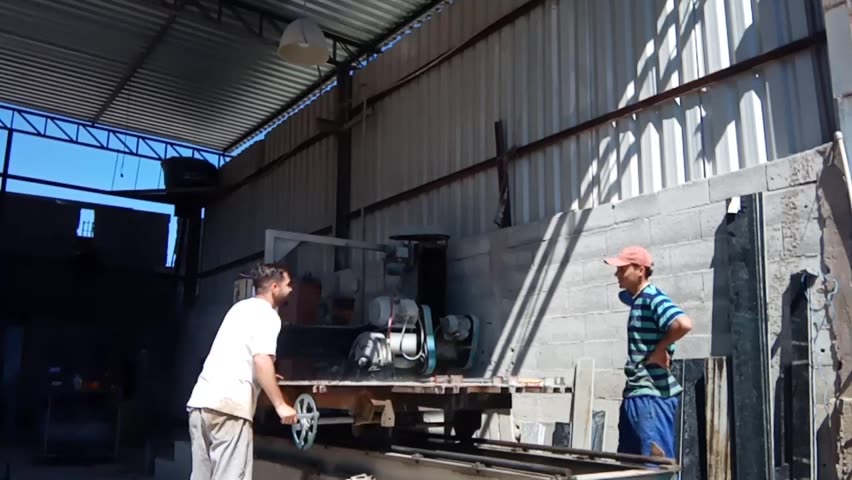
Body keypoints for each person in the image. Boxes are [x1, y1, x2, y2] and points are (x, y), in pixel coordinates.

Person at [186, 264, 299, 480]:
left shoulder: (239, 308)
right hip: (229, 409)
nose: (291, 289)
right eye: (288, 285)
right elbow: (261, 359)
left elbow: (238, 353)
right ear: (274, 288)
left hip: (201, 403)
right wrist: (280, 405)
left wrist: (265, 378)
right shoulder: (268, 315)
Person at [604, 246, 692, 460]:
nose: (617, 274)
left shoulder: (652, 297)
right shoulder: (639, 299)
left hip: (651, 396)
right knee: (629, 464)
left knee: (655, 465)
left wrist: (660, 350)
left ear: (640, 270)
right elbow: (624, 296)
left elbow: (683, 323)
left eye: (622, 269)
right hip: (636, 394)